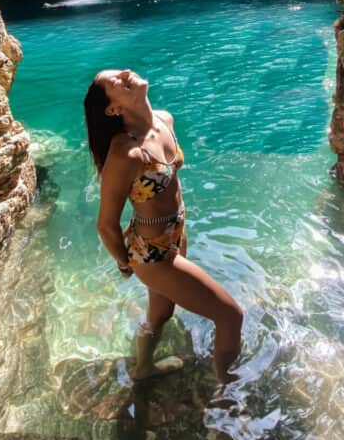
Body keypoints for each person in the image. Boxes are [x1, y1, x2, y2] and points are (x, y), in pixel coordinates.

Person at [84, 69, 243, 383]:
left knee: (161, 313)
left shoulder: (164, 120)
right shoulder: (125, 154)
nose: (125, 73)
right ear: (113, 109)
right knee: (230, 316)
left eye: (119, 71)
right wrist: (125, 263)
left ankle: (143, 369)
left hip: (176, 232)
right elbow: (105, 225)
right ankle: (229, 387)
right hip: (152, 253)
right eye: (113, 81)